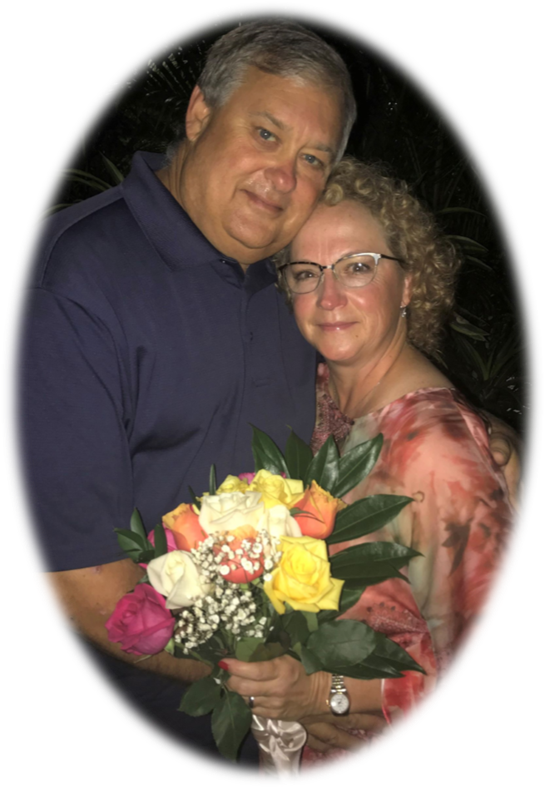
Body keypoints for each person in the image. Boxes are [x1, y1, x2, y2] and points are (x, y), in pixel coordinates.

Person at [5, 19, 522, 778]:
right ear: (197, 114)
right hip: (157, 720)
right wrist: (267, 683)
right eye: (266, 132)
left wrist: (479, 439)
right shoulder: (75, 282)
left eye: (311, 157)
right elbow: (72, 584)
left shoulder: (273, 278)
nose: (282, 176)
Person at [222, 158, 523, 779]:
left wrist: (322, 693)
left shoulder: (435, 451)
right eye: (307, 273)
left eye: (358, 267)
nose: (329, 298)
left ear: (410, 283)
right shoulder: (319, 392)